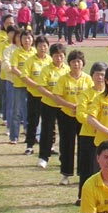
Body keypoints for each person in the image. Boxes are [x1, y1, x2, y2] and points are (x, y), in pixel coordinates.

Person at [52, 50, 93, 182]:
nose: (76, 64)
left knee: (84, 145)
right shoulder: (63, 79)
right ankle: (66, 174)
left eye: (79, 61)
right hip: (67, 115)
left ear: (83, 63)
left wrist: (82, 108)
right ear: (69, 63)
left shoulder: (88, 79)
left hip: (83, 117)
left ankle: (83, 173)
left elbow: (93, 97)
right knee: (66, 145)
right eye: (73, 61)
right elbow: (57, 97)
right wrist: (70, 106)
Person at [75, 62, 108, 204]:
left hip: (104, 136)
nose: (100, 78)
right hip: (87, 135)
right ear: (92, 76)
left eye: (103, 75)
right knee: (86, 167)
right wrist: (93, 124)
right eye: (97, 74)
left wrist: (102, 127)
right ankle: (83, 196)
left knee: (103, 167)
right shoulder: (85, 94)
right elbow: (80, 114)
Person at [33, 43, 68, 172]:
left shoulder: (67, 70)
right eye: (56, 56)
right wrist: (53, 96)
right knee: (47, 131)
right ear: (51, 56)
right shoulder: (46, 70)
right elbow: (41, 87)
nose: (58, 58)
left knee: (65, 133)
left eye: (61, 56)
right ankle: (43, 157)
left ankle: (64, 159)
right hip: (48, 104)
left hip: (64, 106)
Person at [21, 35, 52, 157]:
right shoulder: (30, 61)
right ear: (36, 47)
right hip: (34, 95)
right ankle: (29, 146)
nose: (42, 48)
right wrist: (38, 86)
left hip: (48, 97)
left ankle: (50, 146)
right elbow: (24, 77)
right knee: (33, 121)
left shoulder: (50, 60)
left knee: (48, 123)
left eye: (45, 46)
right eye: (40, 46)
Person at [9, 31, 35, 148]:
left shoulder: (35, 52)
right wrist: (25, 78)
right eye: (24, 38)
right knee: (17, 111)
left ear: (32, 39)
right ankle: (14, 136)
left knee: (31, 112)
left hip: (33, 86)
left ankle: (30, 135)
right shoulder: (17, 52)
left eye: (29, 38)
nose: (27, 41)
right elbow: (13, 68)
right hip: (20, 85)